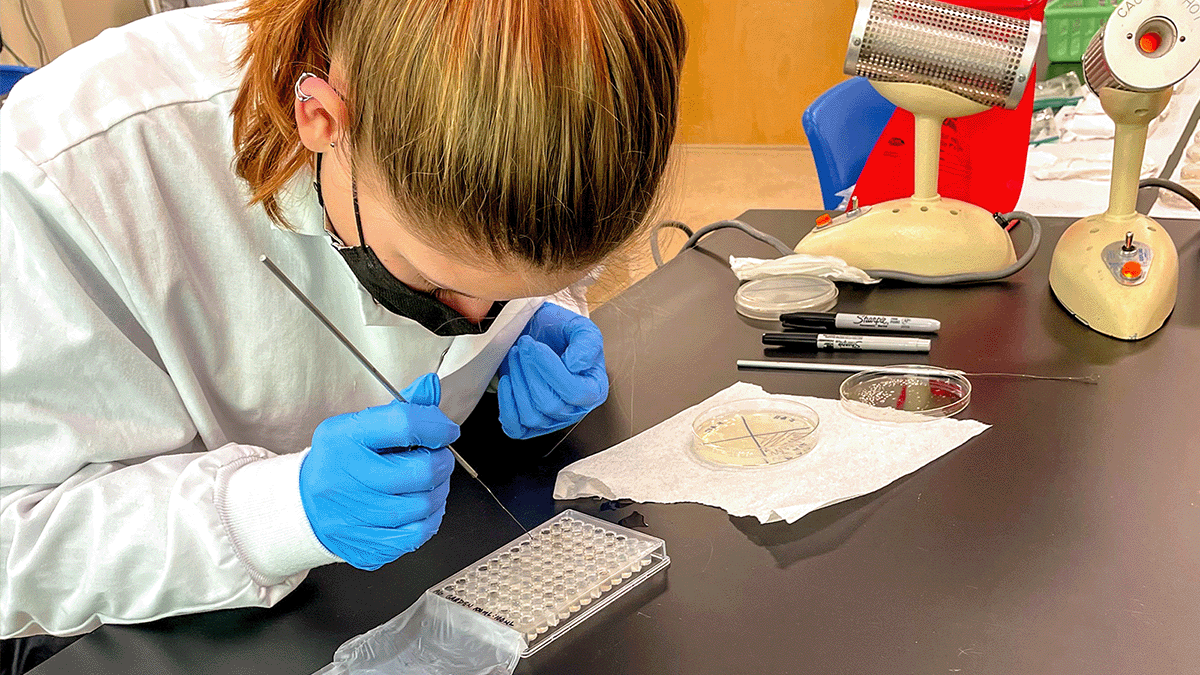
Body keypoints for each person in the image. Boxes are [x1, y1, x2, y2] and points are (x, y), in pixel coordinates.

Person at [0, 0, 686, 652]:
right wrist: (269, 512)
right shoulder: (65, 171)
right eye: (440, 283)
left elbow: (512, 258)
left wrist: (545, 312)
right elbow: (13, 546)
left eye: (506, 296)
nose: (470, 324)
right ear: (320, 118)